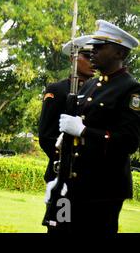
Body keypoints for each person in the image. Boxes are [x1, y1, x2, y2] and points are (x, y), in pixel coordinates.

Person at [59, 20, 140, 233]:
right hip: (74, 184)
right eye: (92, 46)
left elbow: (128, 142)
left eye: (100, 47)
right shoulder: (91, 84)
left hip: (103, 190)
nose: (92, 51)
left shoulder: (131, 90)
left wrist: (84, 131)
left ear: (119, 54)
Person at [39, 36, 95, 184]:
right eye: (88, 57)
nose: (93, 62)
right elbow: (46, 136)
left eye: (95, 57)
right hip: (62, 172)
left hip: (91, 175)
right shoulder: (57, 90)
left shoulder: (99, 93)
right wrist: (67, 161)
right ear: (73, 58)